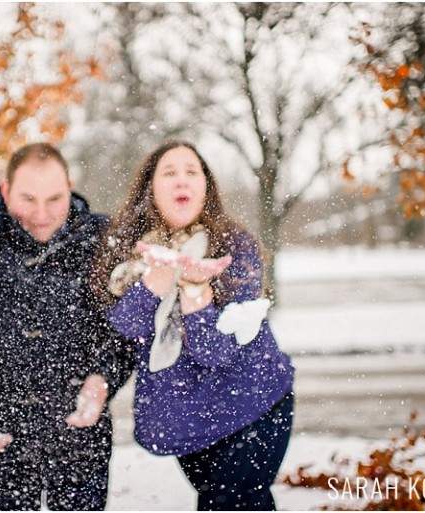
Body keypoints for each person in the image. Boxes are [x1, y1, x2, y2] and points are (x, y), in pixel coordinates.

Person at [0, 142, 134, 511]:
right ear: (5, 190)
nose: (40, 214)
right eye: (28, 199)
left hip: (80, 440)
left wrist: (102, 380)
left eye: (54, 199)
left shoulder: (103, 241)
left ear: (69, 186)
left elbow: (125, 329)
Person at [90, 141, 294, 510]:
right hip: (192, 418)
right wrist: (157, 280)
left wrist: (196, 291)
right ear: (150, 188)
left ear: (206, 186)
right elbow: (127, 327)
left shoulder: (234, 246)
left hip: (253, 403)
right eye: (169, 173)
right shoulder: (129, 250)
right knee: (235, 502)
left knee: (229, 503)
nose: (181, 181)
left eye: (191, 172)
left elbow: (214, 350)